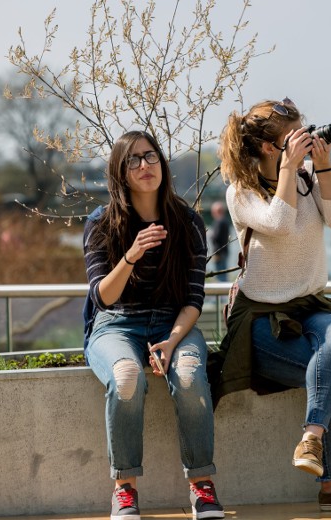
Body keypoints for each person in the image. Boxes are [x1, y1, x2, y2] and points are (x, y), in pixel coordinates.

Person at [211, 98, 331, 512]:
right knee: (325, 376)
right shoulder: (241, 190)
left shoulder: (311, 176)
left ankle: (311, 439)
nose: (305, 140)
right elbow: (279, 222)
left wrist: (323, 166)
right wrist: (290, 170)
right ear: (269, 148)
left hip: (308, 306)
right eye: (294, 136)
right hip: (258, 318)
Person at [82, 131, 223, 520]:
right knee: (127, 377)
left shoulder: (188, 223)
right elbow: (103, 297)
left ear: (162, 163)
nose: (145, 166)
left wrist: (173, 341)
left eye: (151, 157)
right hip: (115, 324)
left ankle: (202, 485)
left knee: (191, 377)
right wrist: (131, 255)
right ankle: (125, 490)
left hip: (173, 321)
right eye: (133, 160)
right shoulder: (101, 224)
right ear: (120, 172)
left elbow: (193, 300)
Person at [207, 201, 231, 281]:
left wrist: (210, 234)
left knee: (221, 276)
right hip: (224, 252)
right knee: (223, 273)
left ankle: (222, 293)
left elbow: (215, 237)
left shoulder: (219, 222)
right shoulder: (225, 221)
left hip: (219, 253)